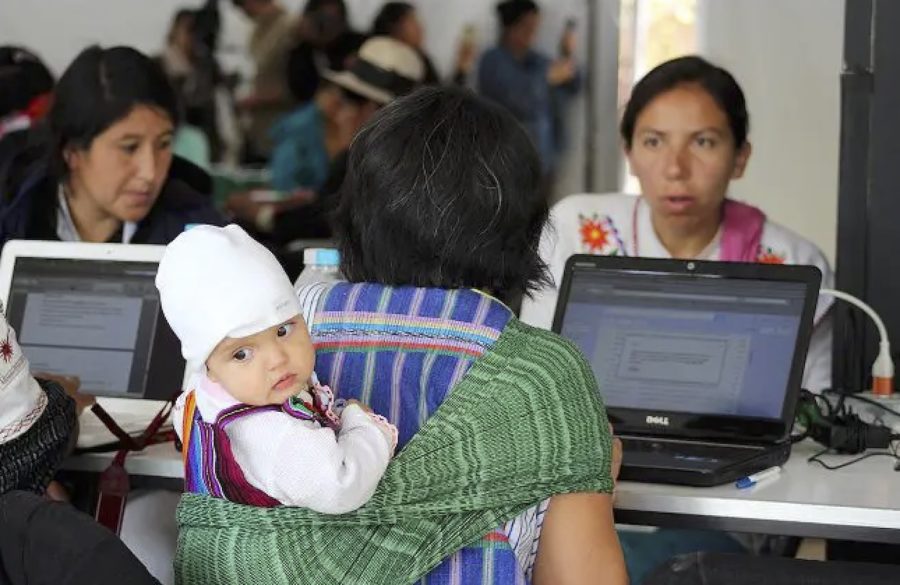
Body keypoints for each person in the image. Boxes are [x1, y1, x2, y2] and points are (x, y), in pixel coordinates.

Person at [520, 55, 833, 583]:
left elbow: (814, 414)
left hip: (725, 502)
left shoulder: (789, 259)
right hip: (586, 482)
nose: (675, 167)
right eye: (653, 141)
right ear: (629, 152)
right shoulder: (577, 226)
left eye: (704, 142)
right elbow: (533, 376)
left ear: (740, 157)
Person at [157, 224, 396, 510]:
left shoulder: (202, 398)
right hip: (292, 553)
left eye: (283, 330)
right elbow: (341, 487)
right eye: (242, 354)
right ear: (209, 366)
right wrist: (364, 427)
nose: (277, 359)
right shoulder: (269, 433)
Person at [0, 45, 225, 249]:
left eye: (164, 144)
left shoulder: (198, 234)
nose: (150, 173)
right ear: (72, 152)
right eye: (129, 147)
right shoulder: (13, 220)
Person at [226, 36, 425, 243]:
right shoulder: (367, 157)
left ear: (376, 110)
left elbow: (331, 219)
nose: (341, 111)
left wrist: (264, 215)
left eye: (352, 98)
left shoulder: (381, 164)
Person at [478, 0, 581, 189]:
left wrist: (567, 55)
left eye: (535, 26)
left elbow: (573, 86)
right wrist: (546, 78)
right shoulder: (492, 60)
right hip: (506, 161)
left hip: (544, 160)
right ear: (510, 27)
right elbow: (515, 98)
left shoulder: (537, 60)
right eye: (526, 26)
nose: (532, 32)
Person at [231, 0, 296, 162]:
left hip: (281, 130)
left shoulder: (290, 28)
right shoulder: (257, 29)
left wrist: (258, 99)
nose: (242, 11)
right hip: (256, 131)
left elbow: (300, 86)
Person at [158, 8, 226, 162]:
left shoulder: (208, 66)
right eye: (188, 30)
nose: (192, 37)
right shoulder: (158, 65)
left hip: (206, 139)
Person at [371, 2, 476, 85]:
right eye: (413, 21)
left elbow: (440, 103)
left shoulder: (422, 60)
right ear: (395, 27)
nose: (421, 28)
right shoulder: (383, 62)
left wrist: (460, 69)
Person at [285, 0, 366, 104]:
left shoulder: (359, 44)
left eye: (333, 20)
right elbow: (299, 91)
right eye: (321, 19)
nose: (327, 26)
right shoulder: (300, 52)